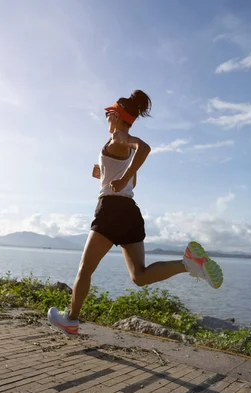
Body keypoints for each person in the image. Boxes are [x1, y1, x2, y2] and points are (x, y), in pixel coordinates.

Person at [47, 90, 223, 337]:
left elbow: (145, 148)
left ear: (118, 117)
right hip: (130, 211)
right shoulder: (123, 147)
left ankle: (71, 321)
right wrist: (109, 175)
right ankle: (189, 263)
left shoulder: (120, 137)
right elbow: (133, 183)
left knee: (85, 270)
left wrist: (120, 177)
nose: (106, 117)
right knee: (139, 276)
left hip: (110, 210)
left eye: (109, 114)